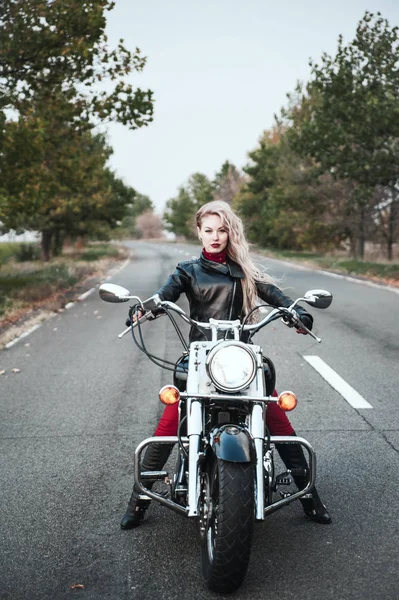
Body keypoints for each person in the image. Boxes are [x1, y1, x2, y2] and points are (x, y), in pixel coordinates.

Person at [121, 200, 331, 529]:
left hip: (238, 358)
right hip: (201, 357)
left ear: (230, 233)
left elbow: (276, 295)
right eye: (209, 231)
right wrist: (144, 309)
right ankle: (139, 500)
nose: (215, 236)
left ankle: (309, 495)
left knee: (275, 412)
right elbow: (165, 295)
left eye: (222, 230)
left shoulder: (244, 270)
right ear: (199, 233)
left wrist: (296, 312)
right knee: (171, 417)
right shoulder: (187, 270)